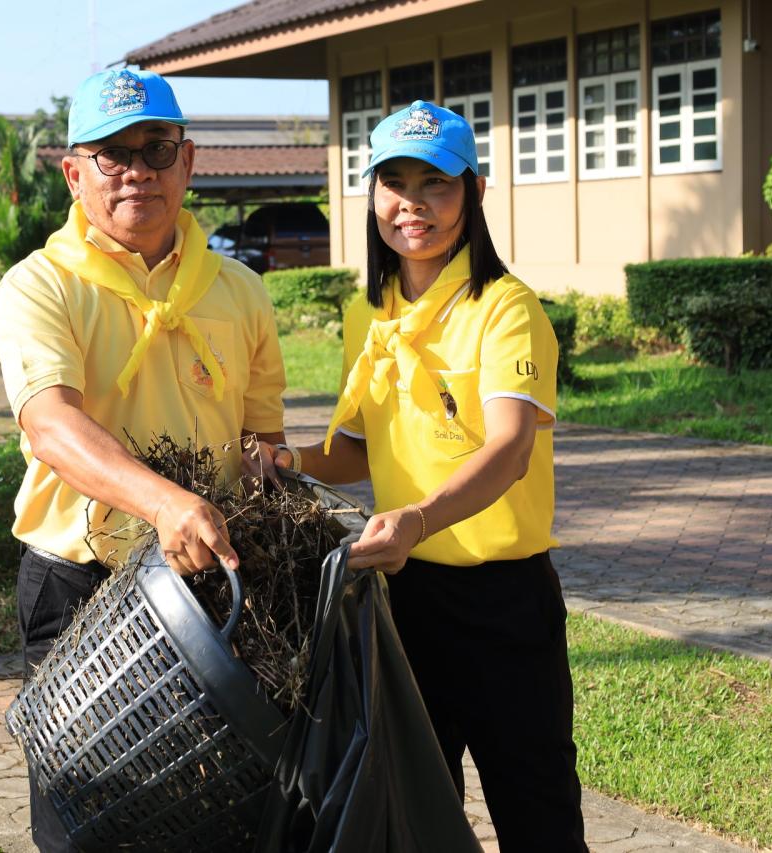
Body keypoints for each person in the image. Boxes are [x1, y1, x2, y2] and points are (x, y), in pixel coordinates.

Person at [249, 101, 587, 851]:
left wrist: (417, 520)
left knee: (538, 814)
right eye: (393, 183)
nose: (413, 205)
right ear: (371, 195)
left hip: (505, 605)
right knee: (415, 816)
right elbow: (361, 450)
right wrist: (289, 462)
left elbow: (508, 447)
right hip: (402, 603)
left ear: (473, 191)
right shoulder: (367, 311)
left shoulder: (506, 309)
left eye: (435, 184)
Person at [0, 68, 286, 852]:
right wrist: (163, 502)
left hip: (209, 584)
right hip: (80, 581)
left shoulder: (242, 291)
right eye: (112, 154)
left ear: (188, 161)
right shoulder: (38, 287)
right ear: (74, 172)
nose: (137, 172)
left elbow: (262, 434)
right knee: (88, 811)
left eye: (155, 149)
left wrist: (273, 480)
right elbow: (51, 423)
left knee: (214, 806)